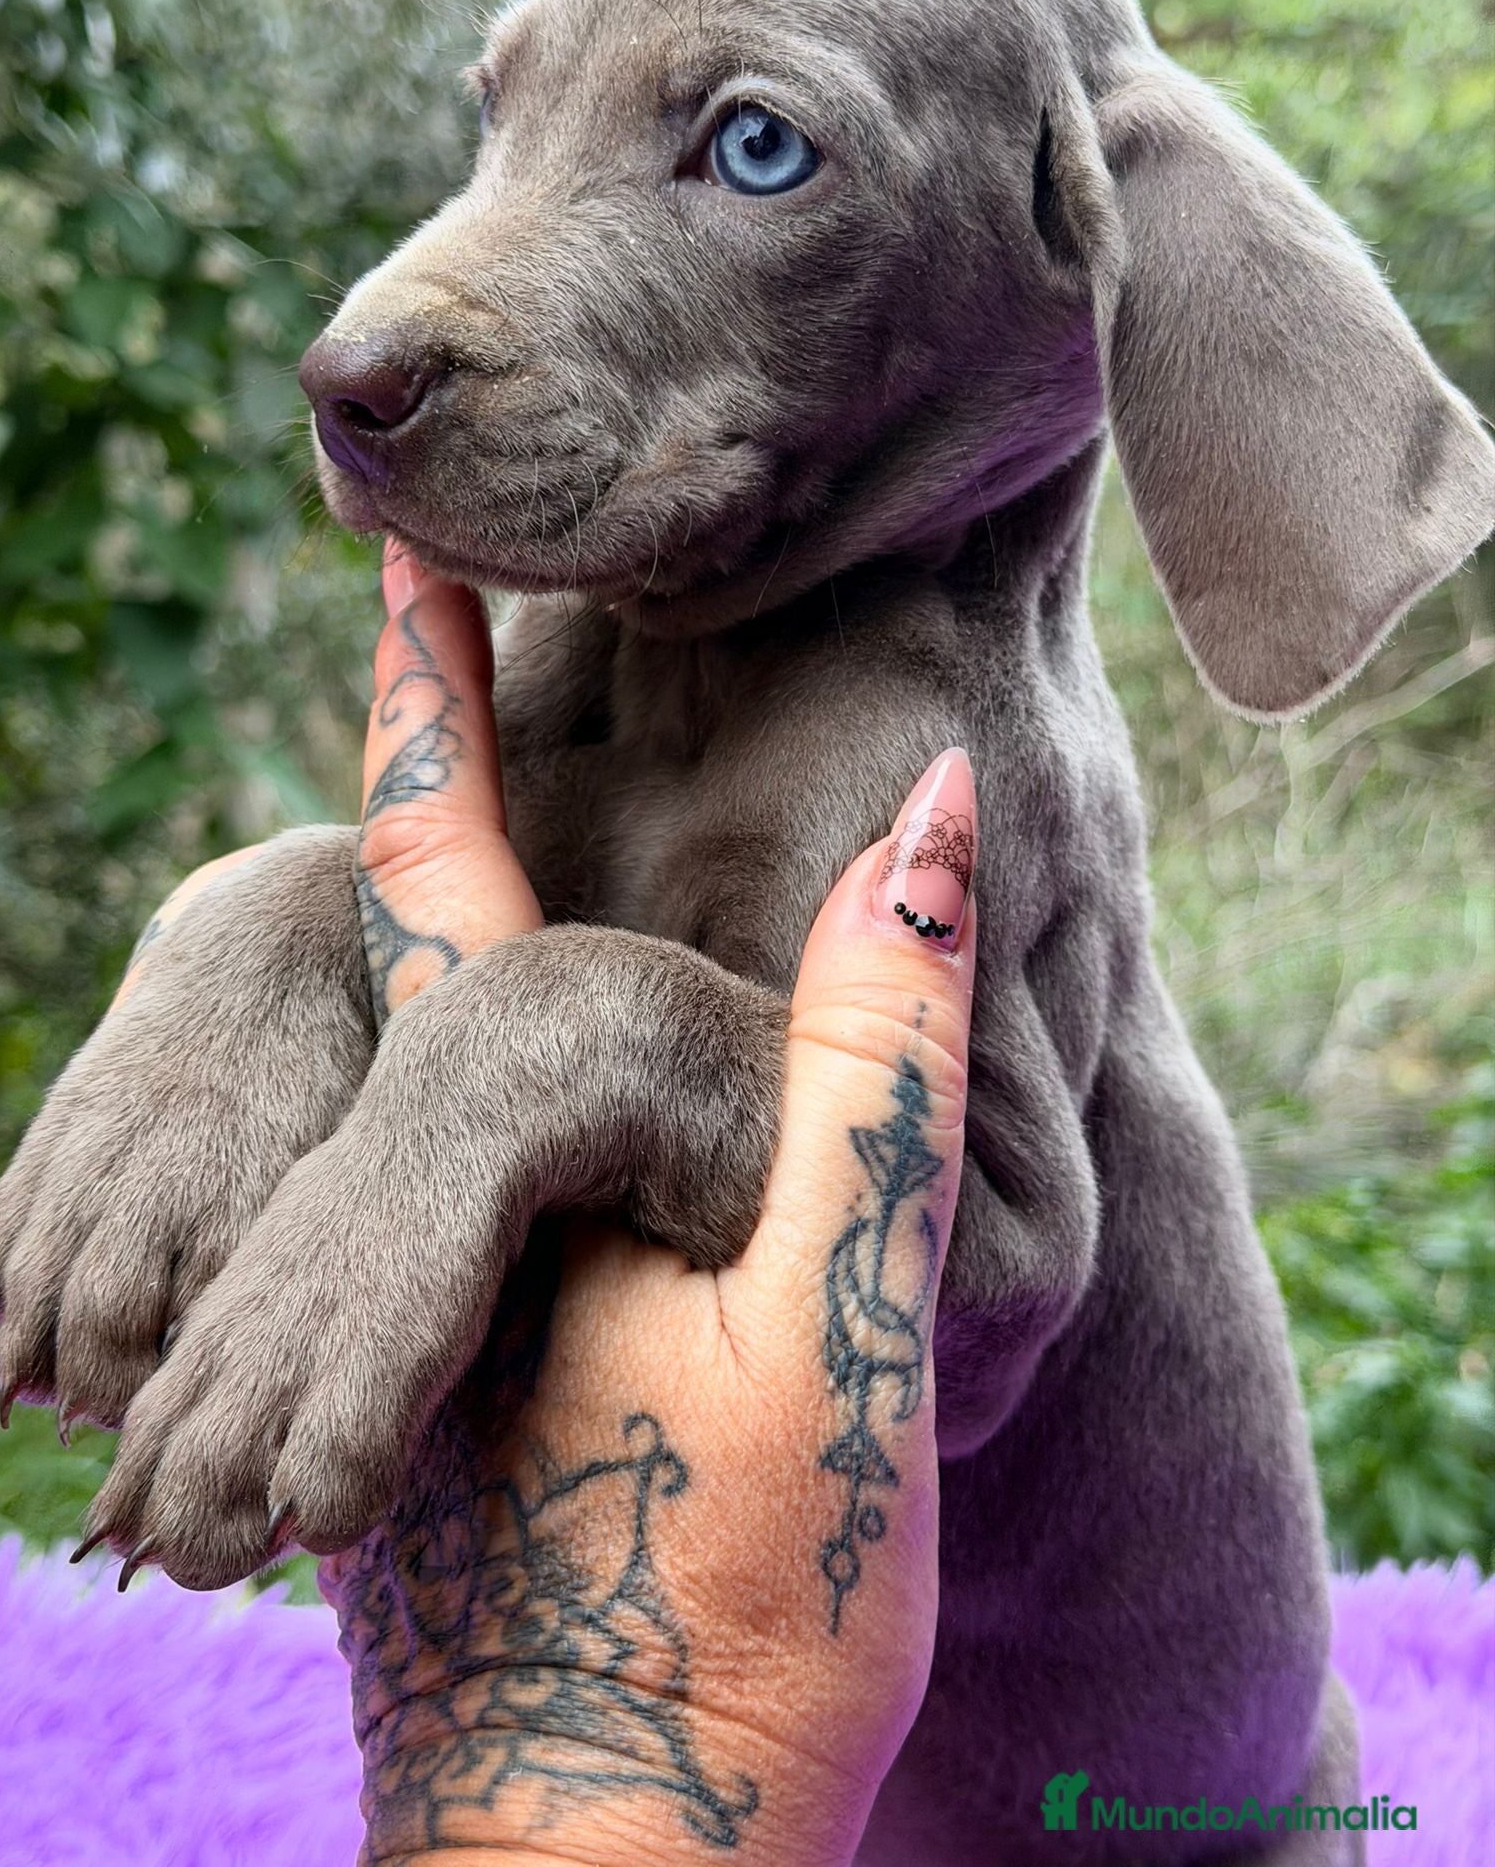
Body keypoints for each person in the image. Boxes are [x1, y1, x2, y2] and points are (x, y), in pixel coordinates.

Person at [124, 540, 978, 1866]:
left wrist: (587, 1037)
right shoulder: (586, 657)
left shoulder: (956, 701)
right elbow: (441, 942)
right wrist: (279, 940)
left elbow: (1010, 1275)